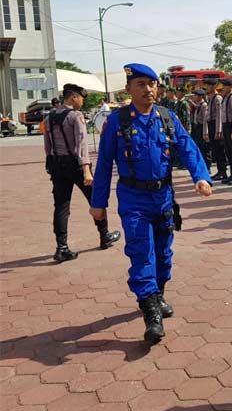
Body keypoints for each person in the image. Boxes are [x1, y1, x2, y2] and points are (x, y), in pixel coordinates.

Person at [90, 63, 212, 344]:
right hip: (134, 199)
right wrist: (99, 203)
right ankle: (151, 313)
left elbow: (188, 147)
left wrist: (201, 177)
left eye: (152, 84)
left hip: (163, 197)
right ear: (129, 89)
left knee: (164, 254)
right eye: (141, 84)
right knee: (142, 253)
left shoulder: (167, 118)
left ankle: (158, 294)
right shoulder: (117, 122)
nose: (148, 89)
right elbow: (105, 163)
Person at [43, 83, 121, 262]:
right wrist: (86, 170)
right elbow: (81, 145)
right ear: (73, 97)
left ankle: (61, 247)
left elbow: (47, 145)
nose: (82, 103)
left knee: (61, 206)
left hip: (56, 164)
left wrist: (50, 162)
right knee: (96, 199)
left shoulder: (50, 116)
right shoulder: (75, 116)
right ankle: (104, 235)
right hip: (76, 165)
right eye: (81, 99)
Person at [204, 79, 227, 181]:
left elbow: (219, 115)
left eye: (209, 85)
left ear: (214, 86)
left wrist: (219, 130)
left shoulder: (217, 98)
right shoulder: (210, 98)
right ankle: (219, 171)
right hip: (211, 124)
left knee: (219, 150)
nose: (207, 88)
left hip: (216, 125)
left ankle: (223, 172)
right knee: (215, 151)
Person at [190, 89, 211, 171]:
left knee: (204, 148)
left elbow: (205, 120)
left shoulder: (204, 105)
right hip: (196, 127)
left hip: (201, 128)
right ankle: (200, 165)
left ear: (200, 96)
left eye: (195, 95)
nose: (194, 97)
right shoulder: (197, 105)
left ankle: (207, 166)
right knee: (197, 147)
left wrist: (205, 132)